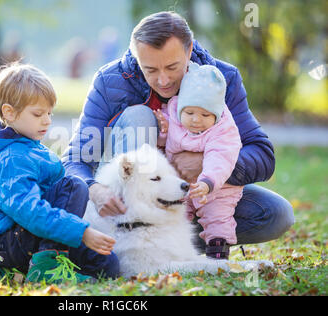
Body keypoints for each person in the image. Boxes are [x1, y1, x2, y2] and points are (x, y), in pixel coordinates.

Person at [61, 11, 294, 253]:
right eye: (149, 69)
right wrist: (95, 189)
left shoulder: (221, 78)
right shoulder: (110, 82)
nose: (163, 80)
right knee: (138, 116)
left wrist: (207, 164)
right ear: (136, 56)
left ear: (189, 49)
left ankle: (180, 245)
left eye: (172, 67)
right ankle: (133, 241)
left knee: (276, 214)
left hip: (198, 196)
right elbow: (75, 158)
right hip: (130, 203)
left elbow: (262, 154)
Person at [0, 62, 119, 283]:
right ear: (9, 113)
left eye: (49, 113)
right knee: (74, 186)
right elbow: (30, 212)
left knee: (106, 264)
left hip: (33, 234)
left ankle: (9, 273)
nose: (47, 120)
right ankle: (47, 269)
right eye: (38, 113)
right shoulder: (10, 159)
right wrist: (82, 232)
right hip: (7, 238)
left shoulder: (30, 147)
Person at [154, 62, 243, 259]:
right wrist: (163, 132)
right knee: (174, 212)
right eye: (190, 113)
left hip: (217, 187)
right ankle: (174, 251)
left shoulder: (223, 130)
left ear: (216, 114)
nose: (196, 120)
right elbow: (164, 145)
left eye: (205, 114)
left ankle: (217, 253)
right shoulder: (174, 116)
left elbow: (221, 157)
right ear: (181, 109)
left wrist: (207, 182)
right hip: (183, 184)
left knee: (217, 216)